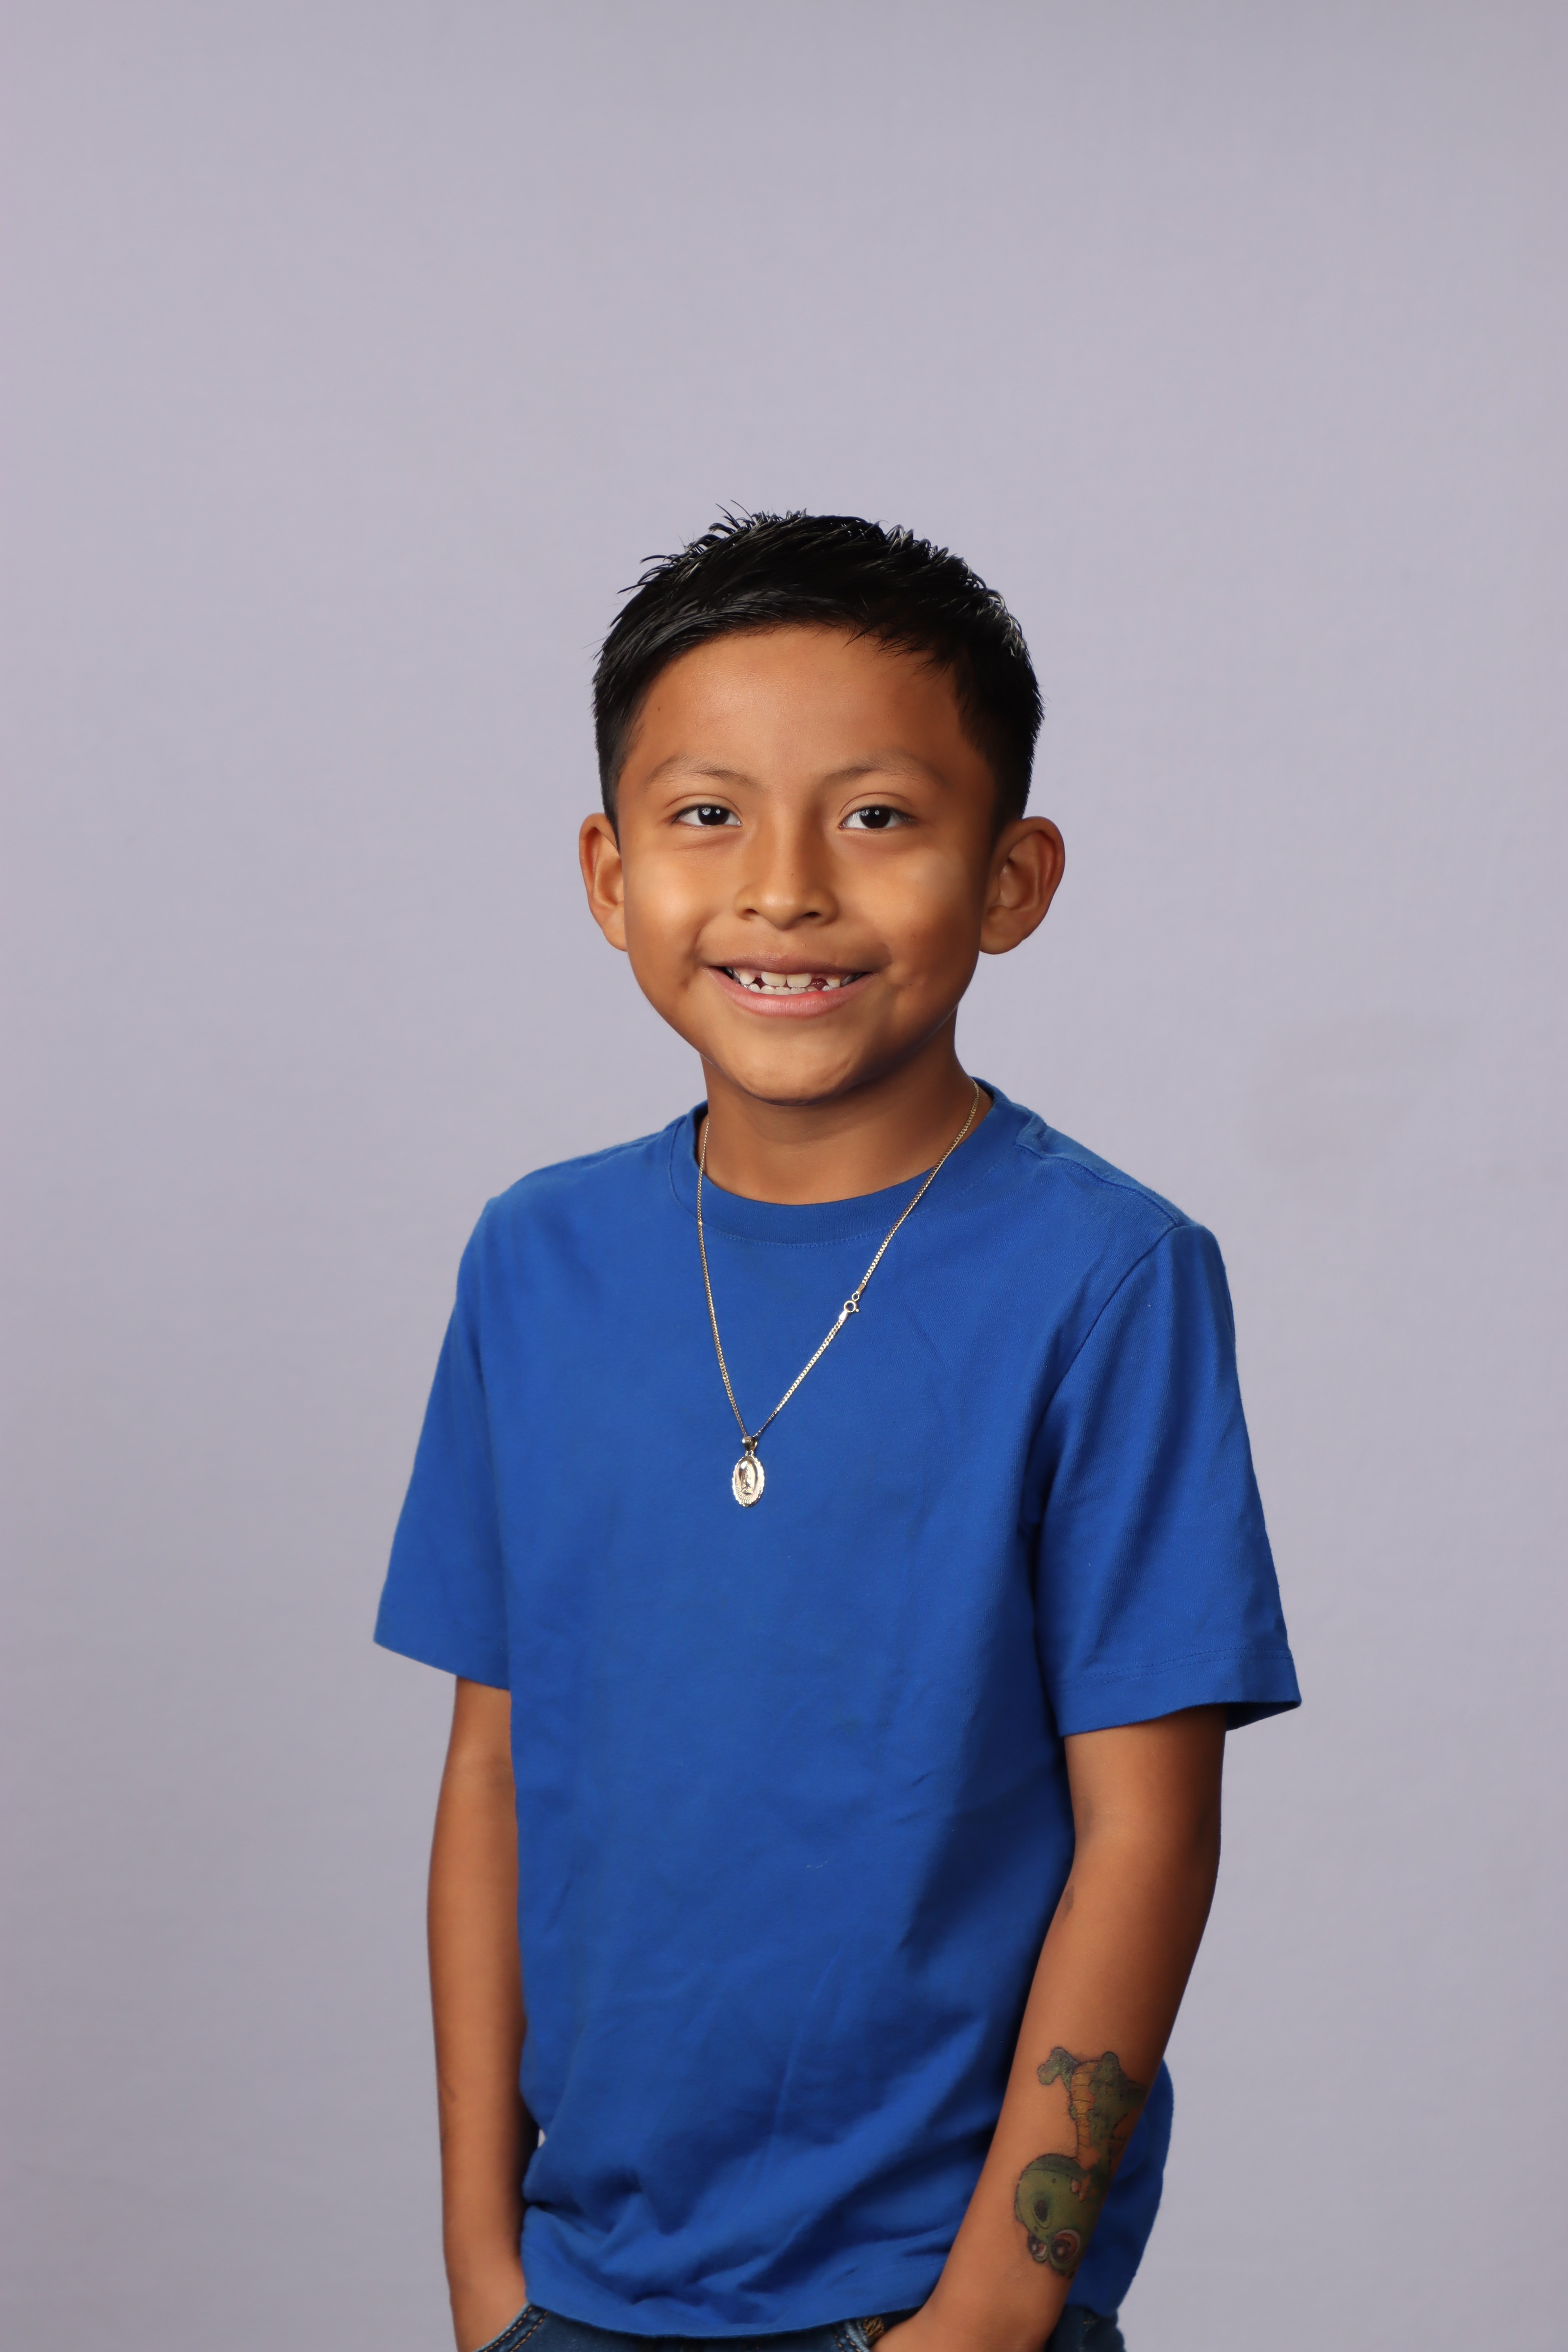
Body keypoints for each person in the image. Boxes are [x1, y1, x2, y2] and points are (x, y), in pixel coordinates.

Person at [375, 513, 1299, 2352]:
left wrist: (994, 2311)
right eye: (707, 814)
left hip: (926, 2308)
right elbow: (492, 1768)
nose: (785, 889)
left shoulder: (1109, 1276)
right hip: (578, 2290)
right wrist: (484, 2265)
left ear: (1012, 877)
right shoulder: (536, 1259)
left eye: (876, 816)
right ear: (610, 871)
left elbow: (1147, 1828)